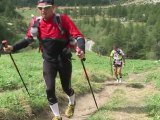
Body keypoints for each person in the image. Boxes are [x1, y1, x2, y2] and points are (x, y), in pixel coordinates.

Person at [3, 0, 85, 120]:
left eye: (46, 7)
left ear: (53, 7)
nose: (43, 10)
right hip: (48, 60)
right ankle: (57, 116)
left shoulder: (63, 19)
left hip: (64, 59)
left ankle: (72, 103)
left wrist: (81, 49)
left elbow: (78, 36)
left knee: (66, 88)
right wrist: (13, 48)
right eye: (40, 8)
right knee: (49, 89)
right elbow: (28, 39)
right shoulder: (36, 22)